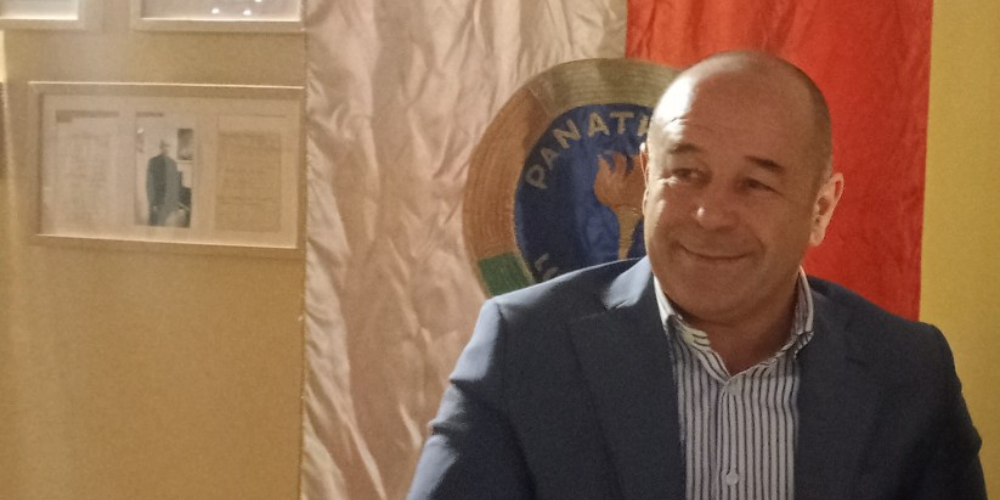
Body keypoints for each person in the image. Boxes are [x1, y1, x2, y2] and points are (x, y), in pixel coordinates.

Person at [407, 51, 986, 499]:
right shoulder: (526, 347)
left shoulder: (909, 373)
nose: (710, 214)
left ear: (821, 208)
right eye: (685, 174)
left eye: (755, 184)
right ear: (645, 178)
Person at [146, 139, 181, 226]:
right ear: (160, 147)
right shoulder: (153, 162)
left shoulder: (173, 163)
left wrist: (174, 205)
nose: (166, 148)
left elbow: (175, 184)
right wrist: (152, 202)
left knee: (166, 226)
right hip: (157, 201)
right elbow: (149, 184)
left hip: (168, 202)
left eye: (168, 146)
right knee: (154, 225)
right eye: (164, 146)